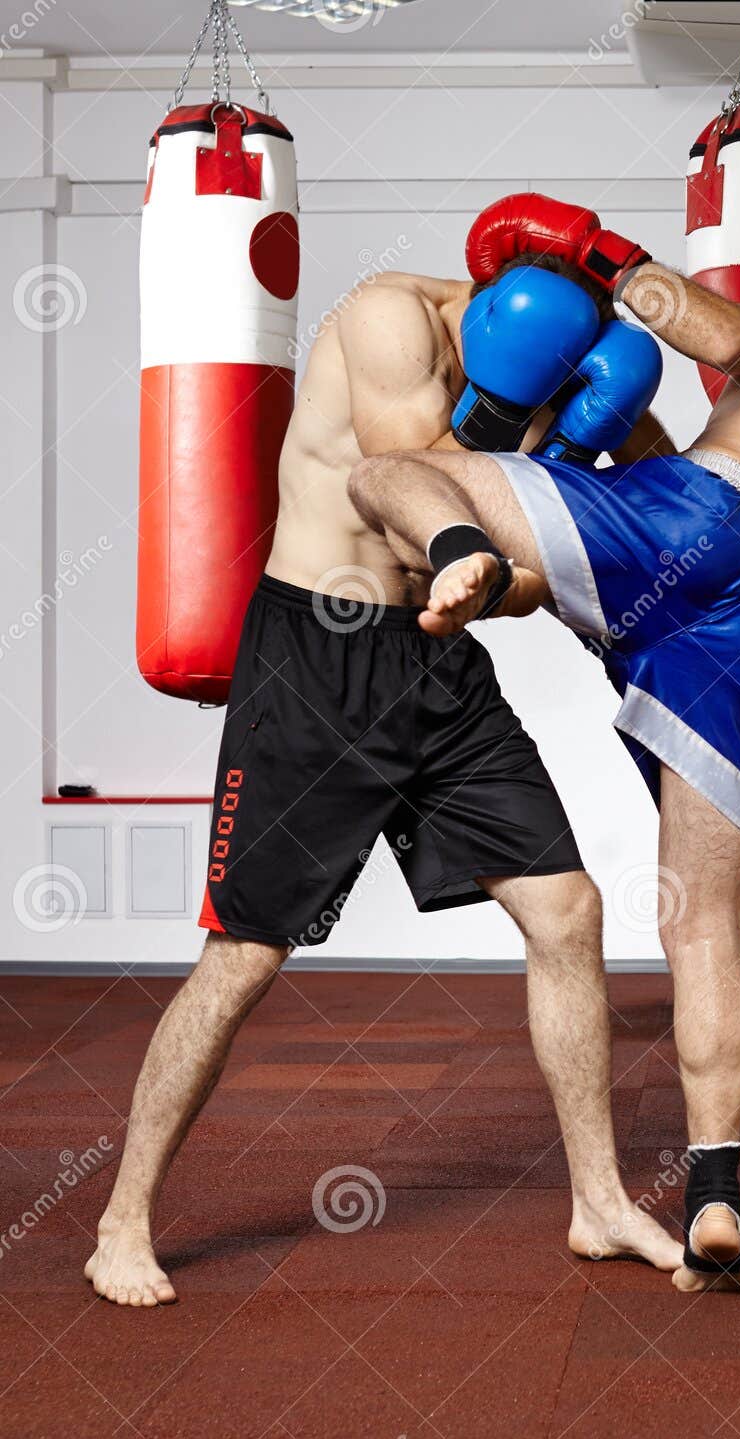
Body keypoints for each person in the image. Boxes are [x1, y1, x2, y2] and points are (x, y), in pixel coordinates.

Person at [86, 231, 681, 1307]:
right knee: (244, 961)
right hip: (316, 659)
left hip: (437, 671)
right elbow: (411, 486)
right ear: (502, 297)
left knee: (569, 914)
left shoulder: (577, 370)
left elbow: (617, 520)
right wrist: (516, 529)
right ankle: (121, 1220)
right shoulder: (387, 316)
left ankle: (598, 1201)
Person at [344, 193, 740, 1292]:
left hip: (700, 528)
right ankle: (714, 1194)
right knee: (702, 926)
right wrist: (611, 421)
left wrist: (596, 250)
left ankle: (461, 550)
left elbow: (728, 336)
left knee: (382, 477)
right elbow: (678, 481)